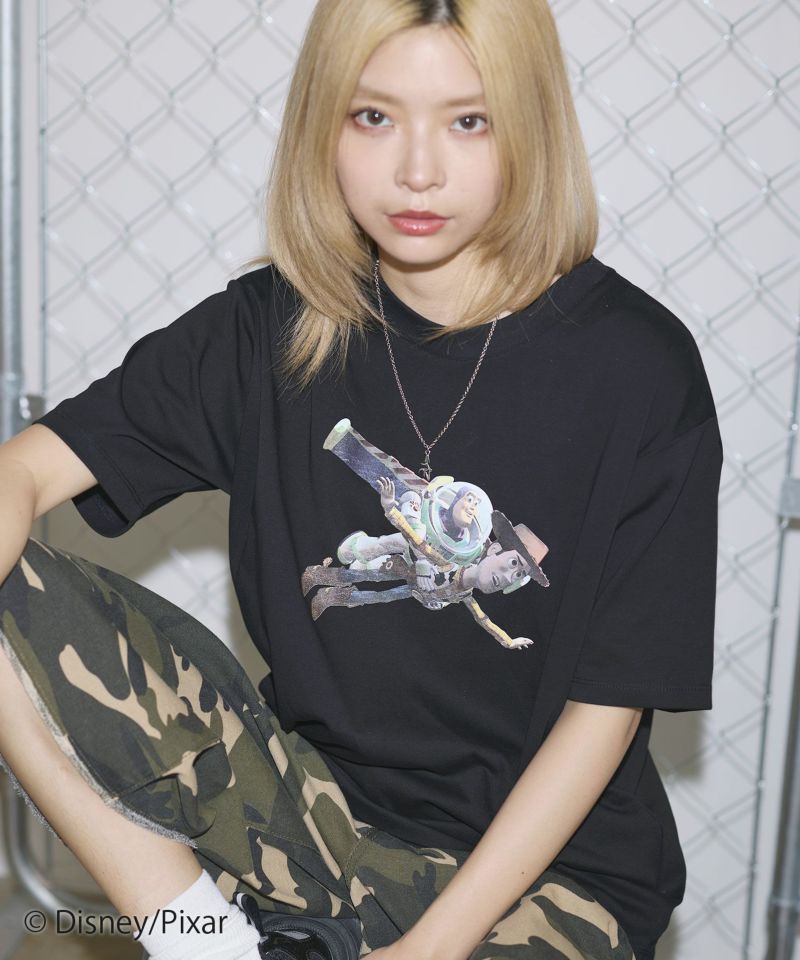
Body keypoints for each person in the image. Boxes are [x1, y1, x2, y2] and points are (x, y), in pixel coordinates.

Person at [0, 1, 723, 959]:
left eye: (470, 120)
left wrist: (427, 950)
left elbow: (606, 714)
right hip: (309, 815)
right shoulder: (269, 329)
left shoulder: (639, 371)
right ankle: (203, 944)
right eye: (373, 116)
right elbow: (24, 470)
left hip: (549, 876)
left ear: (533, 124)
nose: (417, 170)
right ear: (322, 125)